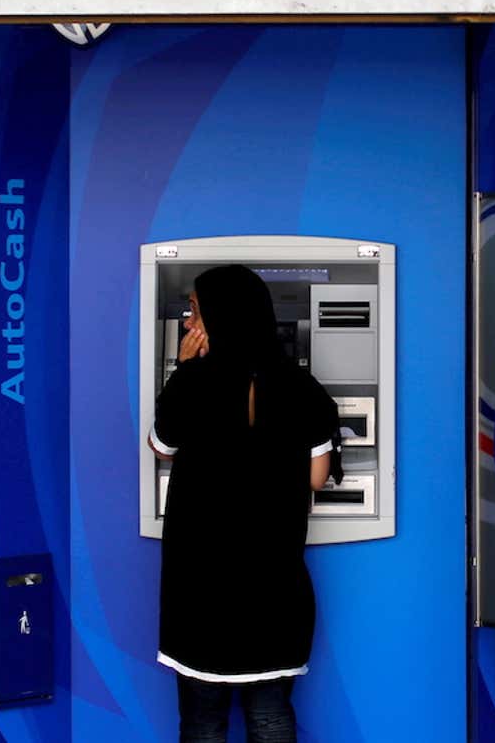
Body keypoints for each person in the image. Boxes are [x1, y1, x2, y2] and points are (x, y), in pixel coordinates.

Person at [147, 265, 342, 743]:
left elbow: (161, 445)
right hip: (273, 583)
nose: (190, 323)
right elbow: (317, 477)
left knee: (202, 719)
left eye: (195, 311)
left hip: (201, 586)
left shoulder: (191, 384)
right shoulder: (303, 388)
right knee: (271, 714)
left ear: (222, 315)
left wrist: (183, 369)